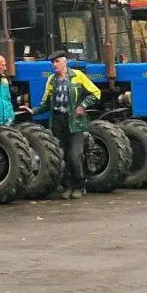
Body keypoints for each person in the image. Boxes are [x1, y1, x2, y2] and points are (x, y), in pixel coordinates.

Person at [35, 50, 100, 199]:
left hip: (75, 122)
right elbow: (45, 104)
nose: (54, 65)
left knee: (74, 155)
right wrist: (33, 111)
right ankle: (67, 186)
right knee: (61, 155)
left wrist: (83, 105)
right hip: (58, 121)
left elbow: (95, 93)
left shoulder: (78, 76)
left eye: (57, 61)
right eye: (52, 62)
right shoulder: (51, 80)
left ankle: (79, 185)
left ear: (65, 62)